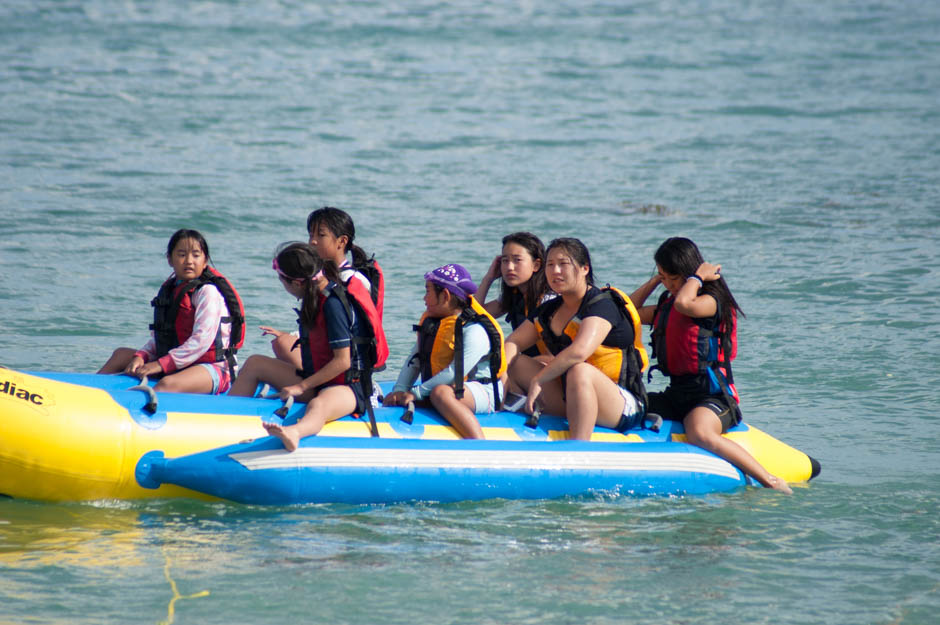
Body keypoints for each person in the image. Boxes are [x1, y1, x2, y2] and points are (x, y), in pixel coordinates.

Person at [631, 237, 792, 494]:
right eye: (664, 278)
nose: (669, 285)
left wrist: (697, 277)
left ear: (689, 272)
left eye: (673, 278)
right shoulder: (667, 303)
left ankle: (769, 479)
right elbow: (630, 312)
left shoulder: (713, 301)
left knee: (698, 432)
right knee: (628, 404)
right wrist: (655, 280)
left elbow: (686, 304)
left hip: (714, 397)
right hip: (677, 393)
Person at [228, 242, 387, 451]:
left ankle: (294, 433)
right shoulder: (315, 296)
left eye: (282, 282)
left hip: (348, 386)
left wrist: (301, 386)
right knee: (255, 363)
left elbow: (343, 361)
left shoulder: (333, 304)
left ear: (296, 283)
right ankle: (225, 417)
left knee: (319, 405)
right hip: (318, 378)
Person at [503, 238, 648, 439]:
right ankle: (513, 420)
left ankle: (579, 447)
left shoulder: (602, 305)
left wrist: (539, 378)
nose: (555, 271)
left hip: (620, 402)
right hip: (571, 395)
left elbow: (579, 351)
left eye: (563, 264)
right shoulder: (548, 311)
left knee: (580, 371)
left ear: (584, 269)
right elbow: (513, 342)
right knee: (516, 362)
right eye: (550, 265)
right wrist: (501, 376)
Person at [98, 229, 245, 395]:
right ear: (170, 259)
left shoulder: (207, 292)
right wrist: (142, 356)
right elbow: (161, 338)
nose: (189, 261)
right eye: (181, 255)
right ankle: (87, 392)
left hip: (214, 368)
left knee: (167, 385)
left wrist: (160, 364)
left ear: (205, 261)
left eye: (196, 255)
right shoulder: (171, 290)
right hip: (178, 362)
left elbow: (201, 342)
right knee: (122, 355)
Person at [382, 264, 506, 439]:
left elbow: (455, 372)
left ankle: (478, 443)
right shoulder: (435, 325)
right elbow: (415, 359)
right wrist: (399, 389)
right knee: (436, 391)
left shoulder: (475, 330)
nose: (424, 298)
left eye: (428, 292)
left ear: (445, 295)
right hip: (451, 388)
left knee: (439, 393)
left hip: (484, 392)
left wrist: (416, 393)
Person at [262, 206, 385, 368]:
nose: (312, 241)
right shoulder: (321, 277)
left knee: (283, 344)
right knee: (281, 343)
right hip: (330, 349)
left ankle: (307, 385)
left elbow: (346, 328)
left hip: (350, 360)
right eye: (311, 235)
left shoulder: (353, 281)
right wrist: (294, 336)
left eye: (321, 235)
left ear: (342, 241)